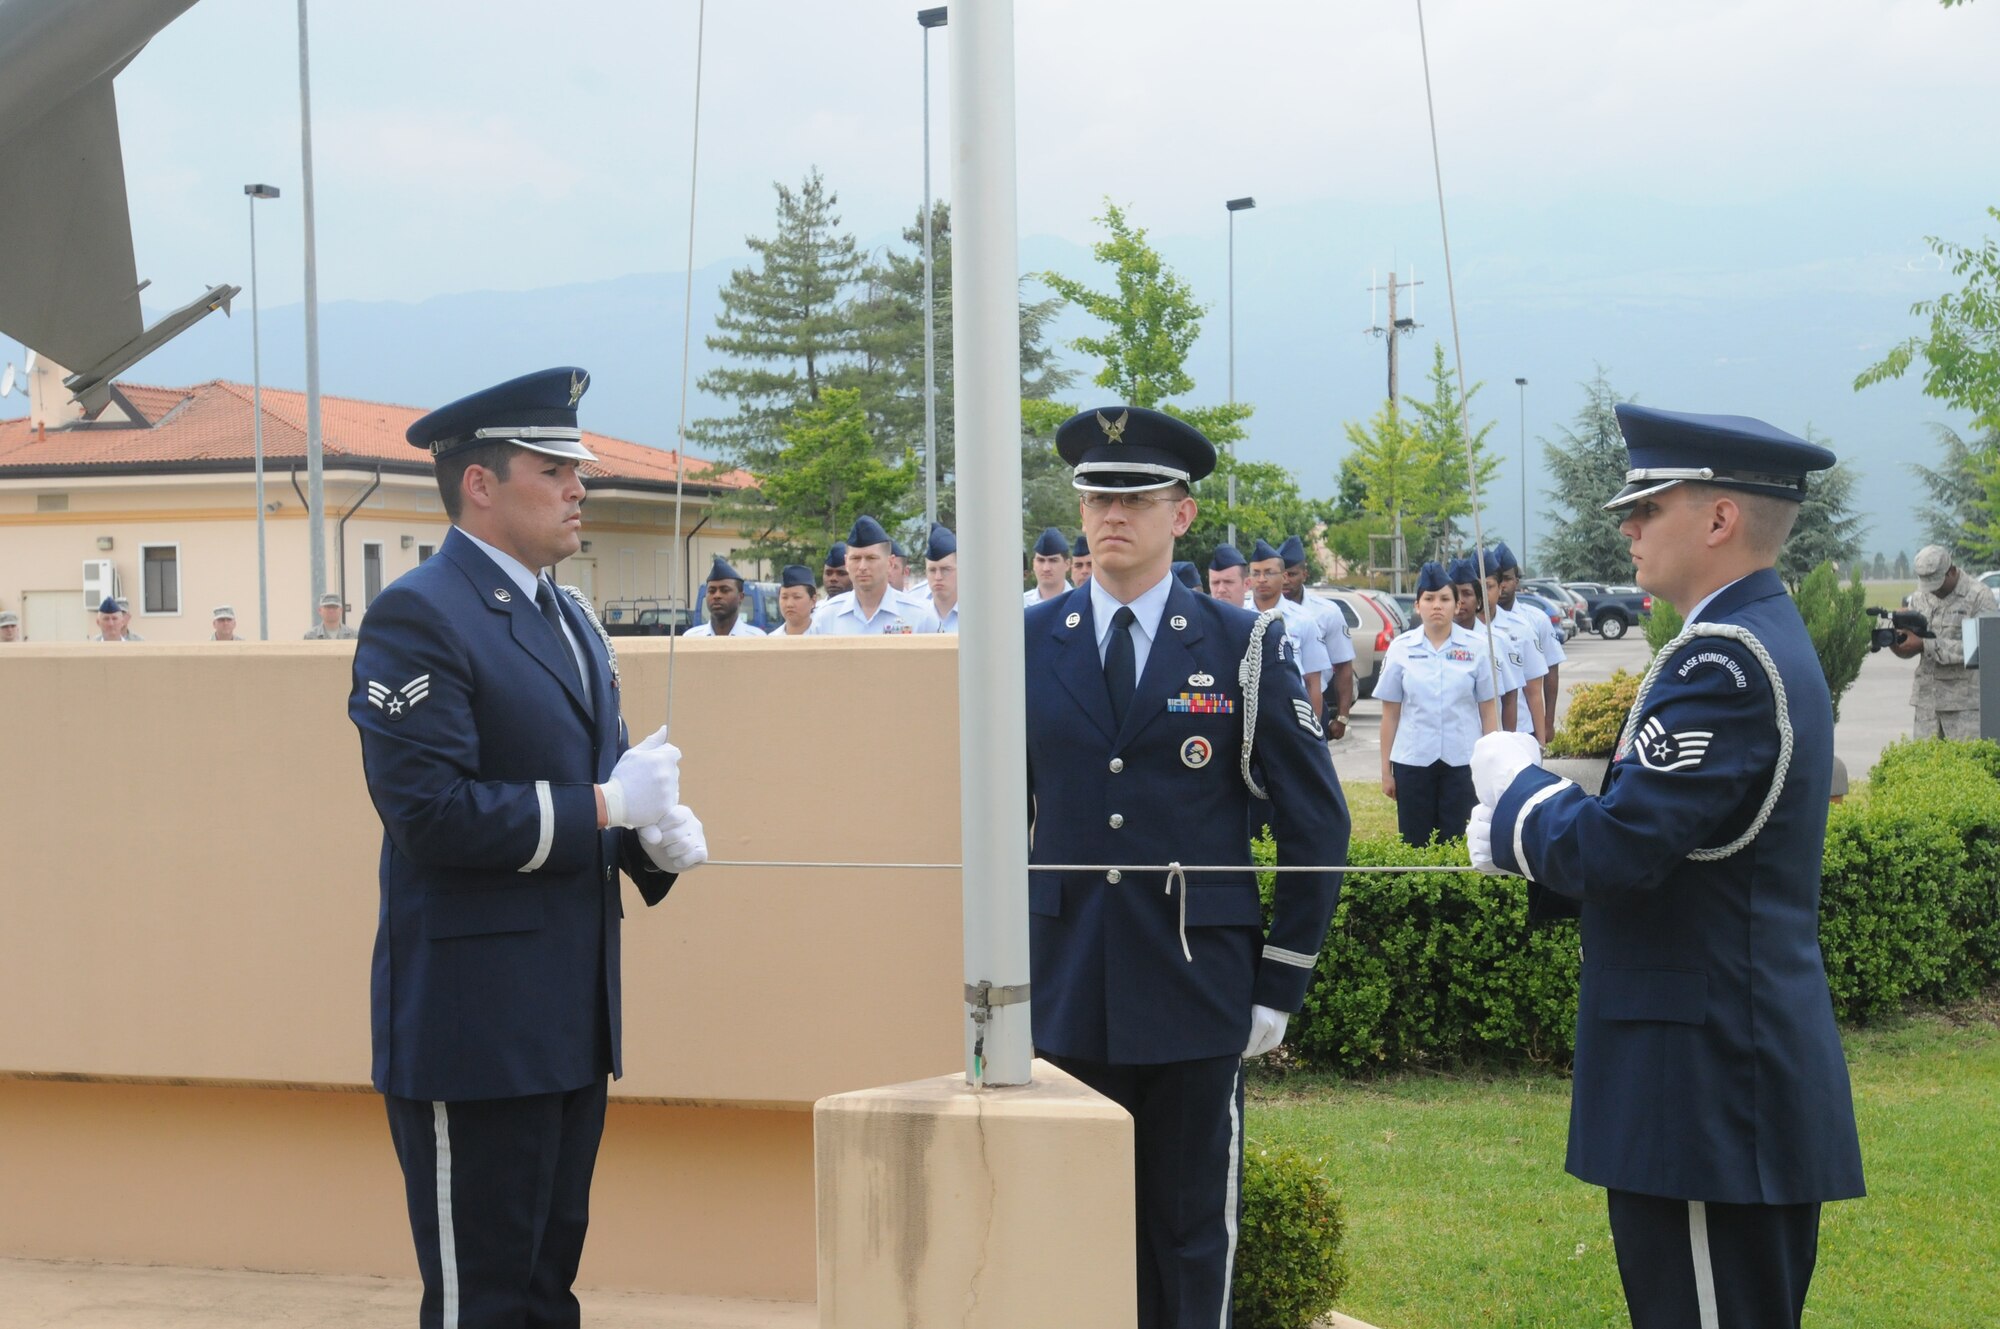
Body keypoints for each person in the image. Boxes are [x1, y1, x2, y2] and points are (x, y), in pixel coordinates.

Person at [1467, 405, 1864, 1329]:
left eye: (1649, 505)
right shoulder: (1746, 638)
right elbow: (1688, 855)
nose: (1627, 526)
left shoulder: (1722, 659)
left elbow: (1620, 849)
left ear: (1720, 519)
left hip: (1704, 1088)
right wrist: (1534, 837)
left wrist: (1519, 791)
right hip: (1718, 1074)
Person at [350, 366, 709, 1328]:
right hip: (474, 1026)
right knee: (486, 1299)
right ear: (480, 482)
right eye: (553, 469)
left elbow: (590, 777)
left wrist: (650, 841)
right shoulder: (420, 614)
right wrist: (607, 806)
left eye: (576, 469)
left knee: (548, 1291)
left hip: (567, 1016)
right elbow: (431, 813)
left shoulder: (570, 616)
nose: (578, 487)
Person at [1026, 404, 1350, 1329]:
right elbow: (1001, 819)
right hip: (1066, 977)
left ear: (1183, 515)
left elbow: (1316, 825)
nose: (1111, 513)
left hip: (1195, 981)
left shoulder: (1241, 646)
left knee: (1190, 1227)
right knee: (1075, 1224)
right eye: (1096, 494)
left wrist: (1279, 982)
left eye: (1136, 494)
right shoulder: (1024, 641)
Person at [1374, 561, 1498, 847]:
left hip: (1462, 762)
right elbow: (1390, 715)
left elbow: (1488, 711)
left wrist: (1491, 764)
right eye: (1429, 599)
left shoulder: (1477, 648)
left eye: (1445, 598)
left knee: (1461, 842)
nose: (1437, 606)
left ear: (1457, 605)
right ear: (1417, 606)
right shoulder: (1401, 648)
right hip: (1413, 762)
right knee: (1415, 843)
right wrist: (1385, 771)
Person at [1895, 544, 1996, 739]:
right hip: (1927, 705)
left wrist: (1927, 644)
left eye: (1936, 583)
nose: (1932, 591)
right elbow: (1911, 648)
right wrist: (1895, 641)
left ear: (1951, 571)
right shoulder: (1919, 598)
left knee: (1967, 765)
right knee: (1924, 766)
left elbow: (1981, 649)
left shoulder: (1979, 596)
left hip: (1964, 707)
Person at [1280, 535, 1356, 740]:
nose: (1286, 579)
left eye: (1292, 574)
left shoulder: (1327, 612)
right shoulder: (1258, 609)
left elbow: (1343, 667)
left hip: (1313, 702)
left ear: (1305, 574)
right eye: (1282, 573)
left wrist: (1342, 717)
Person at [1246, 538, 1328, 717]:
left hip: (1289, 713)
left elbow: (1313, 682)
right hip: (1246, 715)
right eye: (1256, 573)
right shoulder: (1238, 614)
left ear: (1283, 577)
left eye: (1269, 572)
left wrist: (1313, 735)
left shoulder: (1304, 619)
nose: (1261, 579)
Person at [1489, 542, 1564, 735]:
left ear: (1517, 581)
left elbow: (1550, 674)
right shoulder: (1476, 623)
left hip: (1526, 724)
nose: (1503, 586)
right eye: (1498, 580)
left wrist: (1548, 722)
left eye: (1507, 579)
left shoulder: (1536, 620)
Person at [808, 515, 926, 635]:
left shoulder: (920, 617)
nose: (862, 567)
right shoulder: (825, 618)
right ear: (846, 563)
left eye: (871, 558)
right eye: (855, 558)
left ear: (890, 563)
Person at [1479, 550, 1549, 743]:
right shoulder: (1458, 631)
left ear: (1499, 588)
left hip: (1519, 731)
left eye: (1488, 586)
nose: (1483, 593)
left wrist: (1540, 743)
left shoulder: (1521, 628)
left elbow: (1534, 692)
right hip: (1475, 733)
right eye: (1476, 587)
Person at [684, 556, 766, 638]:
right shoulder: (691, 637)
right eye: (712, 591)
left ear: (740, 597)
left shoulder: (757, 638)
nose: (717, 596)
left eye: (725, 590)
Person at [917, 524, 960, 634]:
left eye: (945, 569)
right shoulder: (915, 608)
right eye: (932, 570)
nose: (938, 577)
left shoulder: (978, 610)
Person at [1025, 527, 1071, 604]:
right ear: (1033, 564)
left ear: (1067, 564)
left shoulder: (1081, 601)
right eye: (1040, 560)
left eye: (1053, 560)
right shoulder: (1020, 603)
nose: (1046, 568)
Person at [769, 565, 817, 637]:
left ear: (813, 600)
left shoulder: (825, 636)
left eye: (797, 597)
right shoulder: (771, 640)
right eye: (784, 597)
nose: (789, 604)